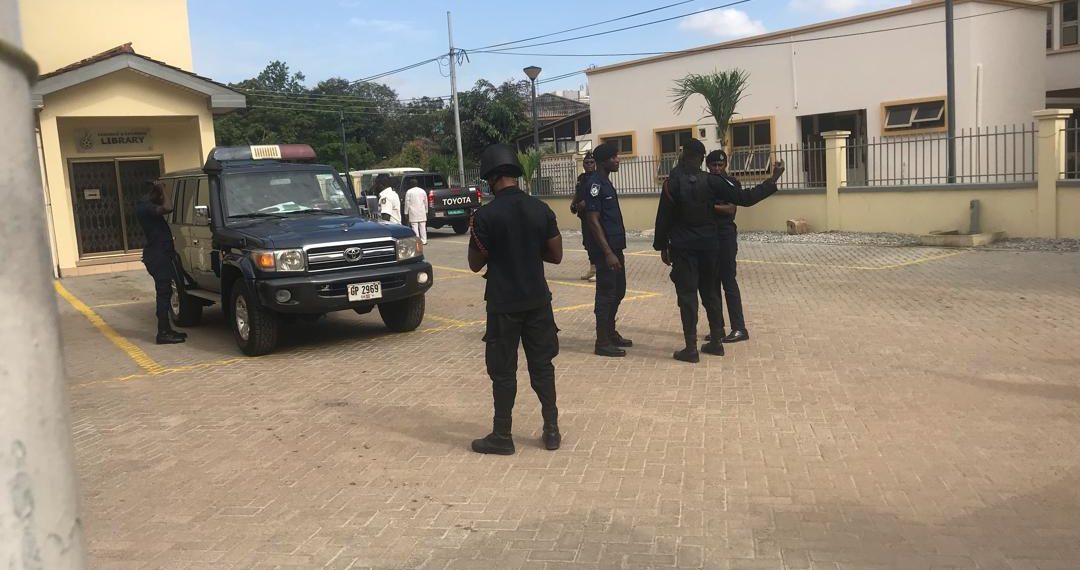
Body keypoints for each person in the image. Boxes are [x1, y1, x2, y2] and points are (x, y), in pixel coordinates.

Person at [468, 143, 564, 455]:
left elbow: (475, 263)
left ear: (491, 177)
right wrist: (529, 248)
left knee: (503, 372)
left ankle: (502, 435)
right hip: (538, 301)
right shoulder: (541, 209)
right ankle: (551, 430)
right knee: (543, 367)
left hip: (503, 304)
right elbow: (556, 255)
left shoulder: (485, 216)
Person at [653, 141, 785, 363]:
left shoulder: (671, 183)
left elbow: (663, 218)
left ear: (683, 156)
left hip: (683, 248)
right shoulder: (712, 181)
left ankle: (691, 348)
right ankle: (716, 342)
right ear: (702, 159)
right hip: (709, 246)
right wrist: (772, 180)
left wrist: (662, 246)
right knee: (711, 292)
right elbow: (745, 198)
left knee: (687, 296)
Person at [582, 142, 632, 358]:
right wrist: (608, 253)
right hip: (605, 251)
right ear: (603, 162)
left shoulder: (606, 183)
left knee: (619, 290)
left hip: (615, 247)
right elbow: (593, 221)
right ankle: (602, 341)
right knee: (606, 294)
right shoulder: (594, 185)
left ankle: (610, 332)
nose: (617, 161)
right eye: (613, 158)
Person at [135, 181, 186, 345]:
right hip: (158, 255)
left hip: (160, 254)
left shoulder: (145, 206)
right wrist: (162, 189)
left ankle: (166, 329)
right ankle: (163, 332)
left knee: (166, 292)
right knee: (163, 293)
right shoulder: (145, 207)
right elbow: (169, 207)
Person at [705, 150, 748, 344]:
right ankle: (717, 328)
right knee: (712, 284)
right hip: (709, 237)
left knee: (728, 282)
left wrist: (708, 207)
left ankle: (739, 328)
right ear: (707, 166)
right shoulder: (706, 183)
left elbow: (731, 208)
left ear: (725, 165)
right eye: (713, 165)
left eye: (720, 165)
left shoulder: (731, 183)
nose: (716, 169)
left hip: (726, 236)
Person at [570, 151, 598, 282]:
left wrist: (585, 204)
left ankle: (599, 269)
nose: (589, 165)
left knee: (596, 242)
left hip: (595, 216)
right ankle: (592, 268)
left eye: (592, 162)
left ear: (595, 164)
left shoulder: (597, 178)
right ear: (583, 164)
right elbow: (578, 193)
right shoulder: (581, 178)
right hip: (584, 216)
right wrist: (573, 204)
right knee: (588, 243)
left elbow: (595, 195)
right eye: (587, 162)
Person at [403, 178, 428, 244]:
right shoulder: (422, 191)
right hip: (422, 211)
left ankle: (417, 241)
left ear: (411, 184)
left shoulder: (409, 192)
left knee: (414, 226)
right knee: (422, 226)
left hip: (413, 212)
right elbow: (426, 202)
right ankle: (424, 240)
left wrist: (406, 212)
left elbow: (407, 203)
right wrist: (426, 211)